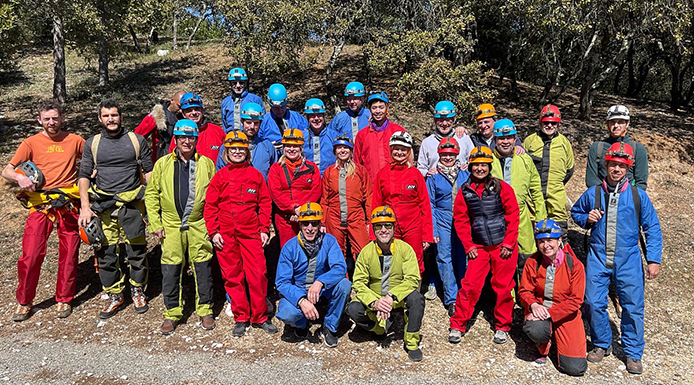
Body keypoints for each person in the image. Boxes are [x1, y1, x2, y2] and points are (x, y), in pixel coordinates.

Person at [571, 142, 662, 375]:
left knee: (632, 305)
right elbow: (576, 213)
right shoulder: (594, 193)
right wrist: (587, 219)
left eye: (622, 166)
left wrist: (653, 260)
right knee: (591, 301)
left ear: (628, 168)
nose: (617, 170)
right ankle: (602, 343)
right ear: (606, 165)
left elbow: (652, 227)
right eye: (613, 165)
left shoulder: (637, 196)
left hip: (629, 257)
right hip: (598, 255)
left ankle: (632, 352)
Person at [2, 101, 84, 321]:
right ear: (39, 120)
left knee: (69, 253)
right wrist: (20, 177)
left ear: (62, 118)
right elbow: (7, 170)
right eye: (46, 118)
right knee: (31, 254)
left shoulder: (75, 140)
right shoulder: (30, 143)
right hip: (40, 204)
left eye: (55, 118)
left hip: (68, 202)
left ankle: (64, 298)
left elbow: (93, 158)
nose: (51, 122)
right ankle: (24, 301)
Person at [78, 99, 154, 319]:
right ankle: (115, 294)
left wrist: (152, 204)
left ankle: (138, 290)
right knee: (106, 254)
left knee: (137, 251)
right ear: (100, 119)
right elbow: (84, 175)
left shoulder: (137, 140)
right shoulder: (92, 143)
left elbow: (149, 173)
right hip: (103, 206)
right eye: (106, 116)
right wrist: (85, 206)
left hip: (132, 203)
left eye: (114, 115)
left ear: (121, 116)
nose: (111, 119)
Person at [144, 119, 216, 335]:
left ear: (196, 139)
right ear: (175, 139)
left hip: (198, 224)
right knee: (171, 268)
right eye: (182, 137)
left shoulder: (206, 164)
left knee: (203, 266)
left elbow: (214, 197)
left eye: (191, 137)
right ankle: (172, 312)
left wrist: (213, 225)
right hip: (171, 224)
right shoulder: (163, 164)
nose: (187, 141)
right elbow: (151, 194)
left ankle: (205, 309)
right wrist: (155, 223)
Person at [204, 130, 278, 337]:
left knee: (258, 274)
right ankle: (241, 316)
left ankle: (260, 316)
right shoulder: (220, 177)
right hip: (226, 234)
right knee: (232, 276)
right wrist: (214, 232)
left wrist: (264, 229)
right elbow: (210, 206)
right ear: (227, 152)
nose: (237, 152)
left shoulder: (255, 175)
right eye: (233, 149)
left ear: (247, 151)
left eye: (241, 148)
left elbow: (264, 203)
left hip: (251, 232)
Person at [448, 146, 519, 345]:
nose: (480, 169)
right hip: (479, 246)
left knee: (504, 287)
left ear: (489, 166)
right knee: (469, 285)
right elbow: (460, 220)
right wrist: (469, 246)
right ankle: (458, 324)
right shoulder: (465, 190)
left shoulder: (501, 187)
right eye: (476, 165)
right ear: (470, 167)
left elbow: (513, 215)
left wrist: (509, 242)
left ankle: (502, 326)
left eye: (484, 165)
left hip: (502, 246)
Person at [346, 206, 425, 362]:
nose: (383, 230)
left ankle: (411, 342)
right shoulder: (366, 252)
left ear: (394, 227)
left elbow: (413, 278)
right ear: (373, 229)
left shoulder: (405, 249)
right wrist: (374, 302)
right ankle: (378, 328)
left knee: (417, 299)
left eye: (388, 225)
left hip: (398, 298)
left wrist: (391, 296)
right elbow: (359, 283)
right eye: (378, 226)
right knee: (353, 309)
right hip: (375, 298)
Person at [275, 202, 352, 347]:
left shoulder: (329, 241)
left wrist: (321, 282)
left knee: (344, 284)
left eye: (314, 224)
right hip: (298, 291)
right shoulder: (289, 247)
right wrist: (301, 300)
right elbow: (282, 282)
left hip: (321, 290)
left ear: (319, 225)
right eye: (306, 224)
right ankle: (301, 324)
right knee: (287, 313)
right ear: (300, 225)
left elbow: (340, 268)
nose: (310, 228)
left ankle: (329, 327)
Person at [519, 219, 587, 376]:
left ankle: (560, 338)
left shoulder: (575, 265)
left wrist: (551, 313)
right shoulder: (532, 262)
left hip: (566, 314)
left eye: (550, 240)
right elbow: (524, 291)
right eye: (541, 241)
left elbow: (576, 301)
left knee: (575, 368)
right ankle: (544, 343)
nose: (546, 245)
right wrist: (533, 305)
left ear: (560, 240)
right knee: (534, 328)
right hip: (541, 310)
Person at [490, 119, 547, 278]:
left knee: (527, 256)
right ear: (495, 140)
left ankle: (525, 296)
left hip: (521, 216)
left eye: (509, 137)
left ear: (516, 139)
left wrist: (541, 218)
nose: (506, 141)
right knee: (502, 260)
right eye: (501, 138)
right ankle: (508, 299)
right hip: (497, 218)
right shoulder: (488, 162)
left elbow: (536, 191)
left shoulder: (525, 159)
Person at [372, 131, 434, 276]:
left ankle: (414, 293)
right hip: (390, 224)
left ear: (409, 151)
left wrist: (427, 235)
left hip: (413, 225)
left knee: (414, 259)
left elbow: (425, 205)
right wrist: (373, 232)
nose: (399, 152)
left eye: (403, 149)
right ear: (391, 149)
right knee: (391, 259)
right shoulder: (382, 173)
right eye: (396, 148)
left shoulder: (415, 174)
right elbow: (376, 203)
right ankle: (392, 293)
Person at [426, 138, 470, 316]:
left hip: (463, 219)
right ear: (439, 154)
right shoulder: (433, 176)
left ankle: (465, 293)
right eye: (444, 154)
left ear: (457, 154)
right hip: (442, 219)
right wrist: (433, 229)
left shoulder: (466, 173)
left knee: (464, 256)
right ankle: (451, 297)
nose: (448, 157)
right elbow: (429, 203)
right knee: (444, 257)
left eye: (451, 154)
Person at [321, 136, 372, 275]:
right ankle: (342, 284)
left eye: (345, 148)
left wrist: (369, 221)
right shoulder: (329, 172)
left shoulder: (360, 171)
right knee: (337, 252)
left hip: (356, 215)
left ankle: (364, 283)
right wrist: (323, 222)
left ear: (351, 150)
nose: (342, 150)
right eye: (339, 148)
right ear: (334, 151)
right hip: (334, 216)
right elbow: (325, 199)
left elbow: (368, 196)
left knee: (363, 250)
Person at [523, 105, 575, 234]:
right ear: (540, 122)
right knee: (532, 230)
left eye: (553, 123)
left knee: (559, 230)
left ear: (558, 124)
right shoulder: (530, 141)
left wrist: (555, 185)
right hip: (533, 196)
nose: (550, 126)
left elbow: (569, 169)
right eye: (546, 122)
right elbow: (521, 166)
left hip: (556, 195)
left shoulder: (564, 143)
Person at [267, 129, 322, 247]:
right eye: (288, 146)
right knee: (289, 252)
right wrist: (293, 209)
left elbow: (316, 191)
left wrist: (301, 210)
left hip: (309, 218)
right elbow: (276, 194)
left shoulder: (312, 168)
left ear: (301, 148)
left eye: (295, 146)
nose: (291, 149)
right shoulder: (276, 169)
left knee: (310, 251)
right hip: (286, 220)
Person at [586, 105, 648, 190]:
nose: (616, 125)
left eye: (620, 122)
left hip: (628, 199)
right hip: (601, 197)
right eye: (612, 122)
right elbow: (590, 180)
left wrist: (629, 198)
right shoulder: (597, 148)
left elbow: (641, 183)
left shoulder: (638, 149)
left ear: (627, 123)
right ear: (607, 124)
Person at [353, 91, 407, 181]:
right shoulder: (362, 135)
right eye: (374, 108)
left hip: (395, 183)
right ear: (370, 110)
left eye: (381, 107)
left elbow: (408, 159)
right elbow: (357, 163)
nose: (378, 111)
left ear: (387, 108)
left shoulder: (398, 131)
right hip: (371, 186)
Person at [216, 102, 276, 179]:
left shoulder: (268, 147)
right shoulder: (228, 146)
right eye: (248, 122)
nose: (252, 126)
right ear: (242, 122)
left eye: (256, 123)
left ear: (260, 124)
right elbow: (219, 175)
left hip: (261, 189)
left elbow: (274, 174)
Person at [417, 101, 474, 177]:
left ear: (454, 119)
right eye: (440, 120)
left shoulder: (463, 138)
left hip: (462, 185)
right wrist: (427, 173)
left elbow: (474, 160)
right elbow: (420, 168)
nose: (444, 124)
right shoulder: (427, 143)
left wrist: (469, 167)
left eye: (448, 120)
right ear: (434, 120)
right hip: (436, 186)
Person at [167, 93, 226, 162]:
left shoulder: (217, 131)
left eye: (197, 109)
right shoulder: (179, 135)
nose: (194, 112)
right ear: (183, 114)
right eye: (189, 110)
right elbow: (172, 161)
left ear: (202, 111)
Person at [258, 83, 310, 156]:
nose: (280, 110)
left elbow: (309, 136)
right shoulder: (263, 122)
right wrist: (268, 147)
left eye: (282, 107)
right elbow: (255, 143)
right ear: (270, 104)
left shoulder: (297, 118)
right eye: (276, 108)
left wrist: (295, 134)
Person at [134, 90, 184, 164]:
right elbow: (139, 134)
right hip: (161, 158)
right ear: (172, 100)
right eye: (179, 106)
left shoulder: (185, 116)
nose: (180, 110)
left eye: (183, 107)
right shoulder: (157, 114)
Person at [304, 98, 345, 175]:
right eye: (312, 116)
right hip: (307, 180)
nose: (316, 119)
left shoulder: (335, 137)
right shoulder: (302, 138)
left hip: (329, 178)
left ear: (324, 116)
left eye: (319, 115)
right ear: (308, 118)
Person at [220, 67, 265, 133]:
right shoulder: (225, 102)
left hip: (250, 137)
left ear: (245, 83)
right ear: (230, 84)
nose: (238, 86)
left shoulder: (255, 100)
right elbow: (224, 124)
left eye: (241, 83)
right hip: (231, 139)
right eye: (234, 83)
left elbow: (262, 122)